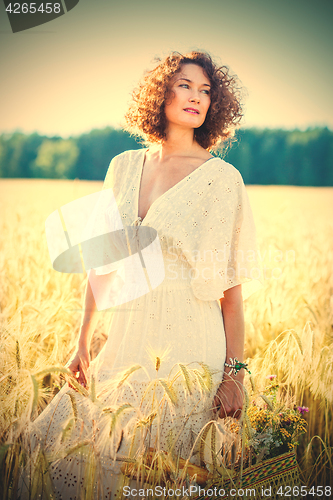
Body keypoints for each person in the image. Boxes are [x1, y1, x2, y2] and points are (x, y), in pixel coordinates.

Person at [19, 51, 262, 500]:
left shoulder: (222, 179)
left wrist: (235, 375)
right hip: (127, 337)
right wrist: (83, 338)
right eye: (185, 85)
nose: (197, 97)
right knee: (84, 459)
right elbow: (102, 263)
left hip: (190, 344)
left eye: (206, 91)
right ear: (161, 92)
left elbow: (230, 293)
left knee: (166, 476)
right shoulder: (124, 167)